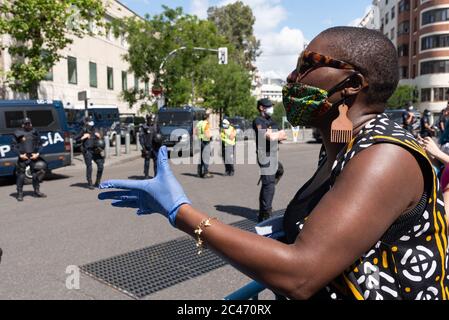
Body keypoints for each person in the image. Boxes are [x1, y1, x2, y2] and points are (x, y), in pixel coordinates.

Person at [98, 27, 449, 300]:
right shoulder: (341, 145)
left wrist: (182, 213)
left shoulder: (384, 156)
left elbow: (300, 275)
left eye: (307, 65)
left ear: (353, 84)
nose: (292, 79)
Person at [253, 98, 287, 222]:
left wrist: (274, 136)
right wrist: (274, 135)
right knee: (269, 186)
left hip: (273, 155)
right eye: (268, 106)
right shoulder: (258, 120)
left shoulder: (271, 121)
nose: (271, 108)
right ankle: (265, 215)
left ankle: (268, 182)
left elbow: (282, 136)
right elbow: (269, 136)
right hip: (264, 155)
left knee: (279, 170)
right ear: (261, 108)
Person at [12, 117, 46, 201]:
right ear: (22, 125)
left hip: (33, 156)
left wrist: (37, 153)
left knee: (36, 174)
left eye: (29, 123)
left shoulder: (35, 132)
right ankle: (20, 193)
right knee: (21, 175)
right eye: (26, 123)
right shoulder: (18, 133)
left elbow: (41, 144)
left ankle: (37, 191)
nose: (28, 125)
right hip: (23, 157)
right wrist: (20, 155)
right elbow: (13, 146)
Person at [75, 117, 104, 190]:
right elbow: (76, 139)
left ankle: (97, 182)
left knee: (101, 166)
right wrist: (83, 137)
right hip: (87, 151)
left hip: (96, 150)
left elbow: (101, 139)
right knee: (89, 167)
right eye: (89, 122)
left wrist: (99, 136)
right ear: (86, 123)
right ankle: (90, 183)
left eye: (91, 121)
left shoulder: (95, 129)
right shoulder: (83, 130)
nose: (91, 123)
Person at [139, 114, 158, 179]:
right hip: (147, 147)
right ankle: (146, 175)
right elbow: (141, 138)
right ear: (147, 119)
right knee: (147, 162)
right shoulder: (144, 127)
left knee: (156, 163)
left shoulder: (155, 127)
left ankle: (156, 175)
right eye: (149, 119)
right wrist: (143, 147)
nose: (150, 120)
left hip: (155, 147)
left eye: (151, 119)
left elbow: (159, 136)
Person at [195, 113, 213, 178]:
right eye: (209, 118)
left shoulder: (199, 123)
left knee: (201, 158)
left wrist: (200, 137)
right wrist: (210, 137)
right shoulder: (206, 124)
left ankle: (199, 173)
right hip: (206, 142)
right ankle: (206, 173)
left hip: (200, 141)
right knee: (206, 157)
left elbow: (196, 132)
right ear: (207, 118)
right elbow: (206, 133)